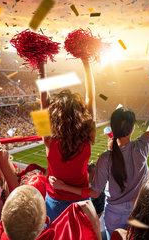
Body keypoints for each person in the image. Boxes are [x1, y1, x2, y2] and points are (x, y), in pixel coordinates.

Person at [50, 85, 149, 238]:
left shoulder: (105, 158)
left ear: (112, 128)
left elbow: (94, 193)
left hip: (114, 214)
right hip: (140, 209)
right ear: (132, 129)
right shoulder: (142, 146)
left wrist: (63, 186)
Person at [38, 59, 96, 224]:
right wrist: (86, 62)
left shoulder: (47, 140)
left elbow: (44, 100)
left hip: (53, 204)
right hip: (82, 205)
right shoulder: (87, 138)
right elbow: (90, 96)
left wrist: (41, 65)